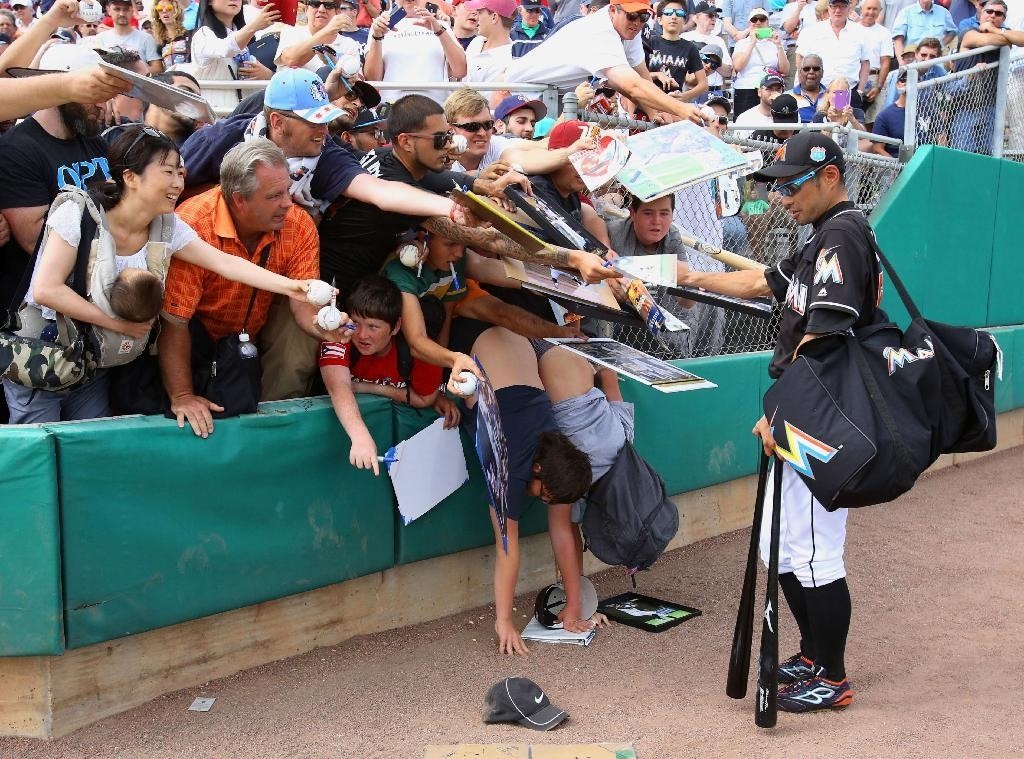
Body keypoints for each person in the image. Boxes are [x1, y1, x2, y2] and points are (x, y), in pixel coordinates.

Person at [679, 131, 885, 713]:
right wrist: (689, 279)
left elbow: (824, 334)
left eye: (793, 184)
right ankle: (814, 655)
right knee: (784, 547)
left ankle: (832, 674)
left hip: (820, 417)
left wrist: (781, 415)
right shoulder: (824, 234)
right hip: (807, 411)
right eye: (778, 186)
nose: (782, 197)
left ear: (831, 176)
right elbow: (764, 282)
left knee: (815, 551)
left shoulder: (843, 235)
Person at [4, 127, 322, 424]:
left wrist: (294, 286)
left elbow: (225, 263)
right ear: (130, 177)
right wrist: (118, 324)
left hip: (92, 358)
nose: (178, 183)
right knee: (37, 449)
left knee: (90, 450)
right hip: (44, 354)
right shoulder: (78, 213)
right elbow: (47, 290)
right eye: (168, 172)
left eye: (180, 172)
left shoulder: (167, 226)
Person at [159, 138, 349, 437]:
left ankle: (274, 424)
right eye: (275, 195)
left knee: (297, 333)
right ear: (239, 200)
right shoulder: (192, 224)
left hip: (252, 337)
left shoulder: (298, 225)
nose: (288, 203)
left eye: (288, 189)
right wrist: (182, 397)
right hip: (199, 337)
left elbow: (301, 306)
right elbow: (175, 322)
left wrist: (323, 329)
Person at [504, 0, 704, 124]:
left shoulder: (630, 30)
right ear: (613, 10)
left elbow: (641, 76)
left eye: (643, 16)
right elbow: (632, 86)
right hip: (522, 95)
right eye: (631, 15)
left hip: (556, 95)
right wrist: (681, 109)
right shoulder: (599, 31)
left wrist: (655, 112)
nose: (637, 22)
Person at [321, 275, 446, 474]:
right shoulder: (338, 335)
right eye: (356, 323)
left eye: (373, 326)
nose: (362, 335)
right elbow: (338, 388)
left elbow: (425, 398)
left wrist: (366, 387)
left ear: (396, 327)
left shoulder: (419, 351)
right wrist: (360, 437)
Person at [363, 0, 469, 105]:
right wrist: (377, 37)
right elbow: (373, 79)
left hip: (435, 108)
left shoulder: (440, 25)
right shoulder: (380, 25)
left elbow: (460, 71)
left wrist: (439, 31)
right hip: (393, 108)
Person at [952, 0, 1023, 152]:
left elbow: (1022, 40)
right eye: (989, 11)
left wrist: (995, 30)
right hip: (964, 106)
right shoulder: (969, 30)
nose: (992, 15)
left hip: (990, 107)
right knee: (963, 156)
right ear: (981, 12)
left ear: (1003, 19)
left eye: (998, 14)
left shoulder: (1002, 31)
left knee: (988, 158)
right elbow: (985, 41)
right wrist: (1006, 37)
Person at [188, 0, 280, 107]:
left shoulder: (241, 35)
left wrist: (268, 74)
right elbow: (225, 49)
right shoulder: (203, 35)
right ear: (208, 2)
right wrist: (253, 27)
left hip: (243, 116)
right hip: (216, 114)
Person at [794, 0, 868, 94]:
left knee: (843, 109)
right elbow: (800, 57)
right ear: (828, 8)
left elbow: (865, 62)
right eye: (834, 6)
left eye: (842, 6)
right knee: (821, 109)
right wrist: (802, 86)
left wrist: (860, 91)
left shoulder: (859, 32)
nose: (838, 10)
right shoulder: (812, 31)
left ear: (849, 8)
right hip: (818, 91)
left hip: (846, 92)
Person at [645, 0, 708, 102]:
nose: (674, 16)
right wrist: (657, 75)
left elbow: (703, 85)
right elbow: (635, 75)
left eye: (679, 13)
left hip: (673, 106)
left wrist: (685, 96)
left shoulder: (690, 48)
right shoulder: (649, 42)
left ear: (684, 21)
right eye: (668, 12)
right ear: (659, 19)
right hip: (647, 103)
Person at [275, 0, 363, 72]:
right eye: (315, 4)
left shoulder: (349, 44)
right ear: (306, 9)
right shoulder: (291, 31)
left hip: (332, 93)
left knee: (325, 73)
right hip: (294, 92)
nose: (321, 9)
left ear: (337, 12)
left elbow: (354, 79)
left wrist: (334, 63)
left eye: (328, 5)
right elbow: (291, 60)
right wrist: (327, 31)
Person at [731, 7, 789, 115]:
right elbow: (738, 66)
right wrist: (752, 43)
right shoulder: (742, 43)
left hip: (770, 87)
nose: (758, 22)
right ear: (749, 23)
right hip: (747, 87)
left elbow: (785, 70)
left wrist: (779, 46)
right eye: (754, 19)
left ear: (768, 22)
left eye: (762, 19)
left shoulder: (774, 43)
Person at [93, 0, 163, 73]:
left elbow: (158, 69)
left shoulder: (147, 39)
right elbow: (94, 67)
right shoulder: (100, 39)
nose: (122, 14)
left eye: (126, 9)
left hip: (138, 83)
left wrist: (133, 72)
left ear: (132, 10)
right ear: (108, 10)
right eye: (117, 9)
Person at [143, 70, 207, 147]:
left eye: (198, 99)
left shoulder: (204, 147)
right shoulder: (127, 141)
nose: (194, 102)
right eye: (185, 92)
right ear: (156, 94)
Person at [463, 0, 515, 83]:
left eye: (479, 13)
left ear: (494, 17)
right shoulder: (477, 41)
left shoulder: (507, 63)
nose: (476, 18)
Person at [858, 0, 894, 121]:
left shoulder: (885, 33)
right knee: (844, 117)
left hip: (874, 78)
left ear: (880, 11)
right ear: (861, 8)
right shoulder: (851, 29)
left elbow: (885, 62)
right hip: (852, 78)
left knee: (872, 120)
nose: (871, 12)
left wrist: (878, 87)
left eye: (875, 9)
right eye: (868, 8)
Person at [891, 0, 957, 58]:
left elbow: (952, 32)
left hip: (935, 60)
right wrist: (902, 63)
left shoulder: (944, 12)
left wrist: (941, 44)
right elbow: (898, 41)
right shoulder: (905, 13)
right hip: (913, 61)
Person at [869, 68, 906, 155]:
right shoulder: (885, 116)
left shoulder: (927, 110)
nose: (907, 83)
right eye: (903, 80)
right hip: (899, 164)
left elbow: (941, 138)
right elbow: (877, 149)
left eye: (914, 80)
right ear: (897, 85)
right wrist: (898, 167)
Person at [151, 0, 190, 68]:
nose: (164, 11)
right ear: (157, 14)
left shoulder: (190, 36)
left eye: (169, 8)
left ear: (176, 11)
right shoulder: (159, 42)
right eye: (160, 9)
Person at [788, 52, 825, 121]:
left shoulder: (835, 96)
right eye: (806, 69)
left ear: (822, 73)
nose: (811, 71)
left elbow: (843, 120)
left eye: (816, 68)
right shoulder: (787, 96)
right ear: (799, 73)